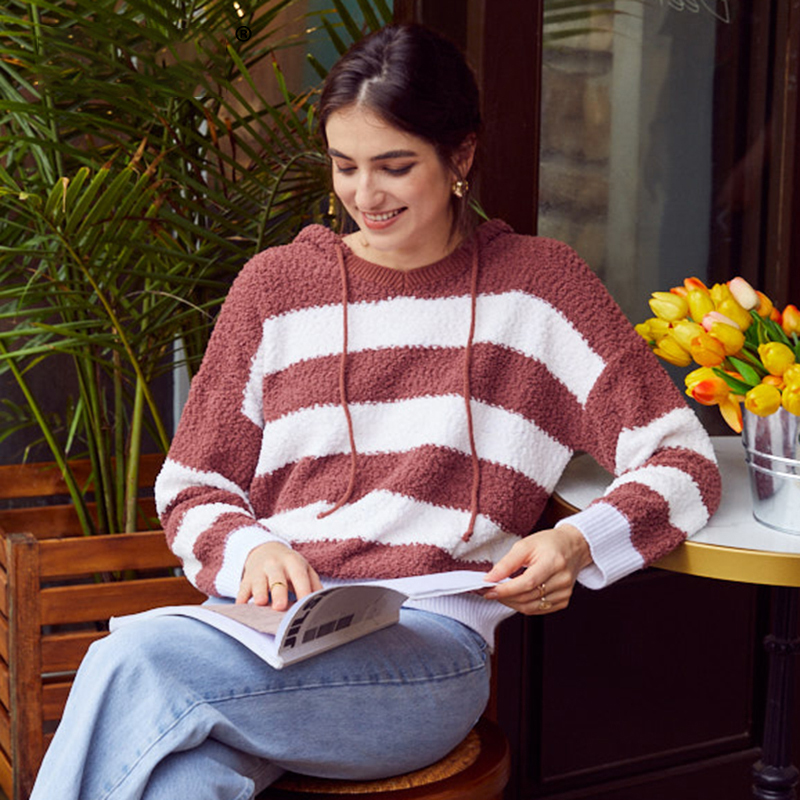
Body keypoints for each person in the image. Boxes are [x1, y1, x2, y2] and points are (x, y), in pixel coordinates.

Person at [30, 22, 721, 800]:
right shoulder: (275, 287)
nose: (365, 196)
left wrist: (575, 543)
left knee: (130, 660)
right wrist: (251, 551)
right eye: (344, 166)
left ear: (460, 155)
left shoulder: (538, 290)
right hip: (259, 636)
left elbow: (683, 464)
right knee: (180, 780)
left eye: (395, 167)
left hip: (424, 654)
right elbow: (192, 484)